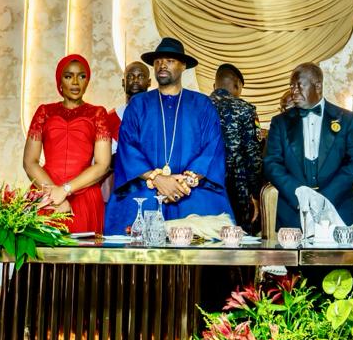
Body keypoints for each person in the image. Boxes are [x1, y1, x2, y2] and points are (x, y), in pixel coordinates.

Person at [105, 38, 232, 233]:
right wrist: (157, 179)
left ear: (183, 66)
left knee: (210, 221)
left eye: (170, 61)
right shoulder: (138, 104)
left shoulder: (202, 104)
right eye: (158, 61)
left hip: (191, 187)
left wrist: (183, 182)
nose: (162, 65)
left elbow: (212, 148)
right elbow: (127, 147)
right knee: (131, 217)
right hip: (147, 185)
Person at [264, 63, 353, 229]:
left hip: (339, 209)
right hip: (293, 213)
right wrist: (300, 195)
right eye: (292, 86)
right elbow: (272, 164)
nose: (294, 92)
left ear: (318, 86)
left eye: (299, 86)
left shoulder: (347, 119)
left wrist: (324, 199)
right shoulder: (279, 122)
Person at [23, 55, 116, 234]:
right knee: (40, 250)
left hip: (84, 194)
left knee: (81, 251)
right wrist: (53, 194)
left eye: (82, 76)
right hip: (45, 192)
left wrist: (65, 190)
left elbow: (103, 164)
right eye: (68, 76)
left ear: (87, 81)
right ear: (59, 81)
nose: (75, 82)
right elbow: (29, 162)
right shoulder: (44, 111)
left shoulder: (97, 113)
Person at [208, 63, 263, 233]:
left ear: (214, 85)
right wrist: (256, 194)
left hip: (202, 186)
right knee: (239, 239)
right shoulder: (246, 109)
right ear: (237, 85)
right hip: (237, 190)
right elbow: (253, 158)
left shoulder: (198, 106)